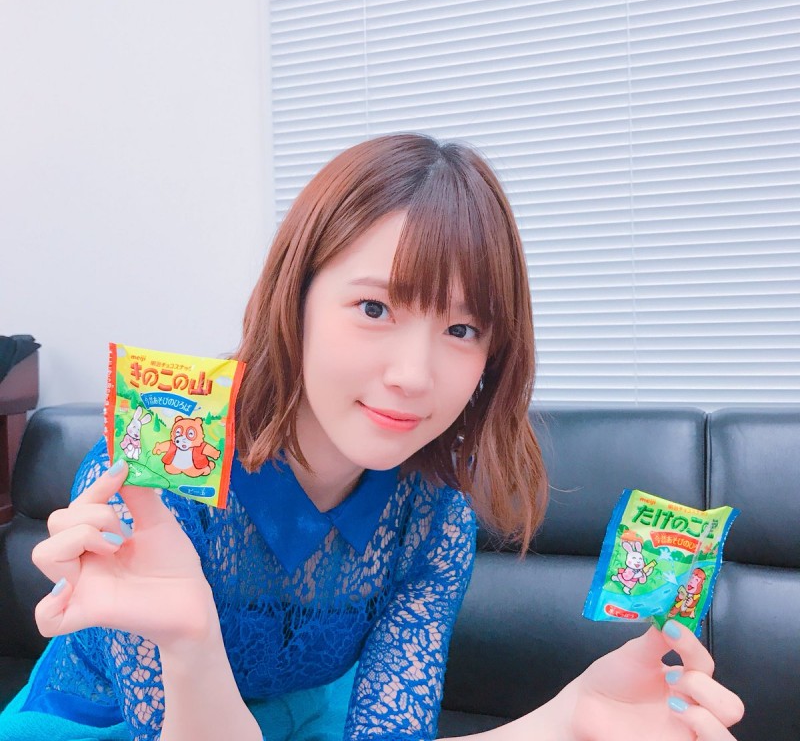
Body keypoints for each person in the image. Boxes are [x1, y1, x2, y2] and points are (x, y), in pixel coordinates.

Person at [0, 134, 744, 741]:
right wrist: (190, 641)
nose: (414, 375)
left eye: (462, 329)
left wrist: (568, 722)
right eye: (375, 309)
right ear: (294, 299)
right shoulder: (152, 476)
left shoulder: (433, 516)